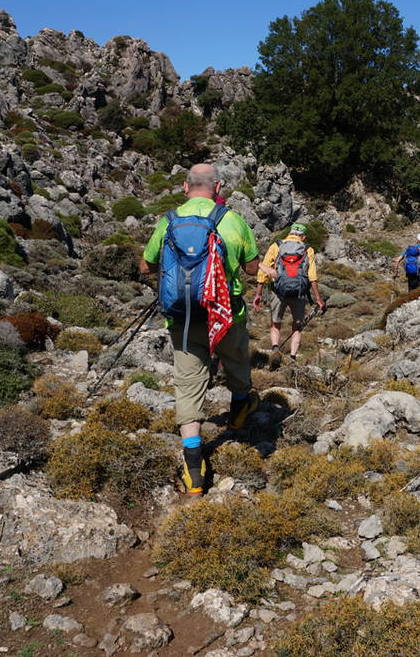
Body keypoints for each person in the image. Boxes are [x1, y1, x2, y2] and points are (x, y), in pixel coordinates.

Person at [139, 163, 273, 495]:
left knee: (188, 387)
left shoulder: (168, 221)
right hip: (225, 315)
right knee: (238, 361)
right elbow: (252, 266)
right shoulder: (232, 219)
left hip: (184, 319)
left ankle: (194, 470)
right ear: (217, 187)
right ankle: (240, 408)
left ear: (185, 188)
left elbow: (146, 266)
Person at [253, 222, 326, 368]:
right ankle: (292, 357)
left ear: (290, 233)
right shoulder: (307, 249)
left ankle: (275, 349)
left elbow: (264, 270)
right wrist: (318, 298)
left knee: (275, 324)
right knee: (297, 326)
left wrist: (258, 294)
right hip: (299, 294)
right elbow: (312, 276)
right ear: (303, 236)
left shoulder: (277, 246)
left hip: (279, 292)